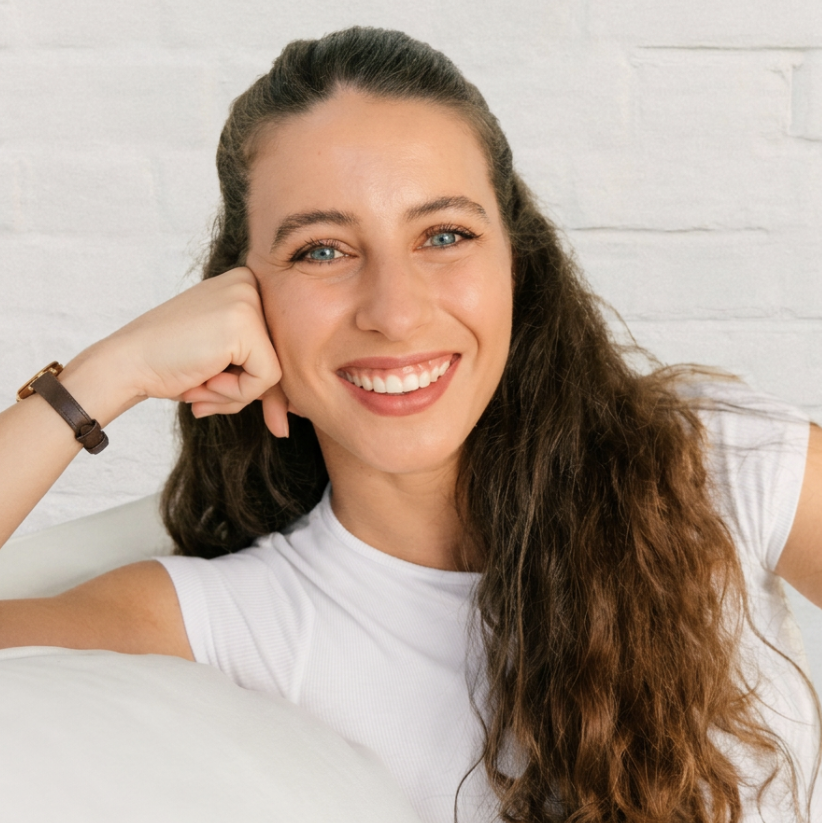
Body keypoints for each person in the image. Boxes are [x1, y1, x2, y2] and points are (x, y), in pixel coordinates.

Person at [0, 26, 820, 823]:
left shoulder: (717, 463)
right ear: (239, 301)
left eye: (444, 235)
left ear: (514, 264)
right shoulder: (233, 619)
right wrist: (112, 371)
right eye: (322, 250)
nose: (394, 312)